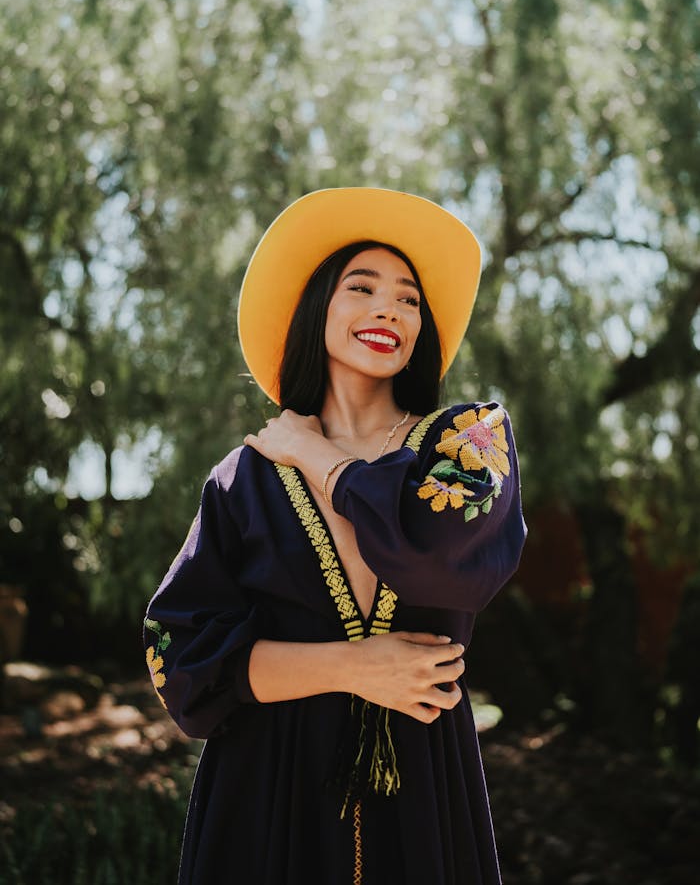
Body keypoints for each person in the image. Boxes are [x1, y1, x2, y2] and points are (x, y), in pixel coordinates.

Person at [144, 187, 527, 885]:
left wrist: (321, 457)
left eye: (410, 298)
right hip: (266, 798)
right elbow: (183, 665)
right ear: (316, 306)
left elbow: (439, 561)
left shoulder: (470, 444)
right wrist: (354, 668)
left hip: (424, 796)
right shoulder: (241, 480)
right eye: (363, 287)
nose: (390, 308)